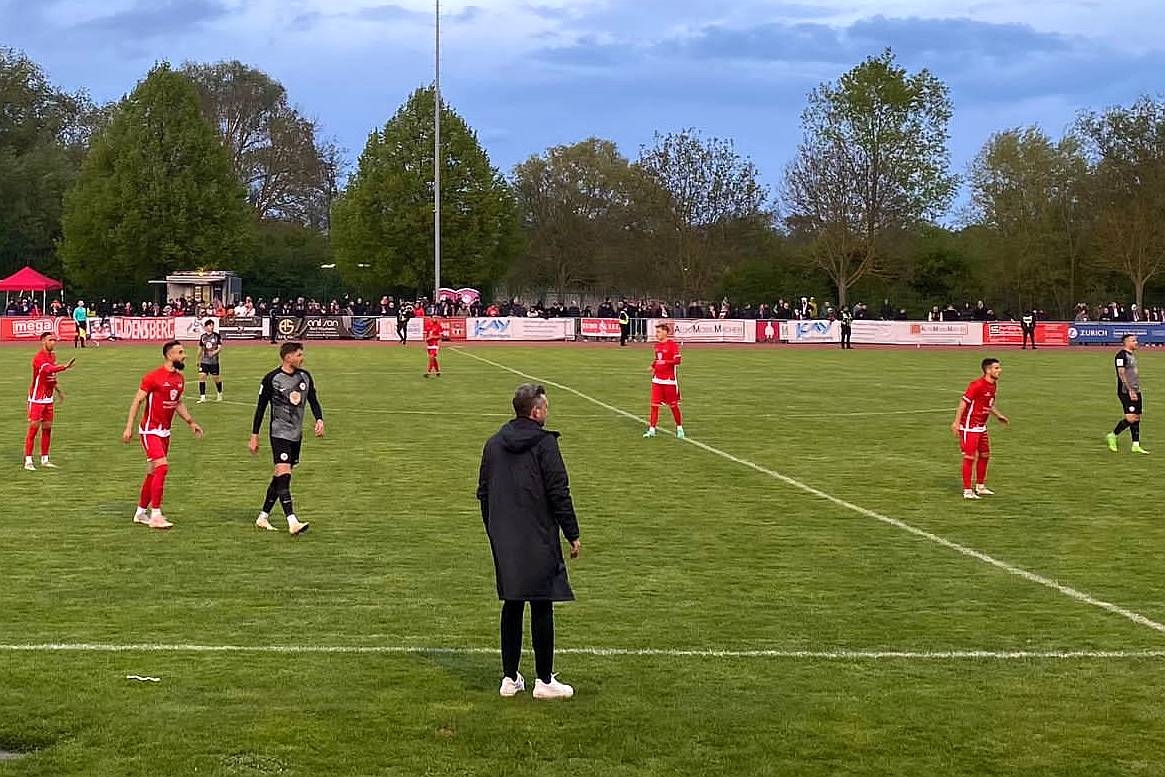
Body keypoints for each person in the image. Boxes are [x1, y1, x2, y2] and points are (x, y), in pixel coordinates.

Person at [476, 384, 581, 700]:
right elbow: (558, 491)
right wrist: (572, 533)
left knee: (512, 602)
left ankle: (510, 678)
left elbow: (483, 493)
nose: (547, 411)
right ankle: (545, 680)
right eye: (545, 407)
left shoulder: (494, 444)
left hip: (505, 536)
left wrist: (494, 530)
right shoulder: (545, 445)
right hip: (537, 534)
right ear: (535, 412)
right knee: (541, 602)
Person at [122, 340, 204, 529]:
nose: (185, 355)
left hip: (165, 432)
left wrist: (191, 422)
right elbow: (137, 401)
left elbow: (177, 403)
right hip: (150, 430)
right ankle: (156, 514)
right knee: (162, 467)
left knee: (153, 472)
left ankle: (141, 512)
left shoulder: (179, 379)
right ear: (170, 355)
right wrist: (129, 427)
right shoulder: (153, 377)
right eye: (181, 352)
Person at [249, 341, 323, 535]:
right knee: (284, 475)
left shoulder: (305, 377)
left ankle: (263, 517)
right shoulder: (272, 378)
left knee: (279, 478)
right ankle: (292, 521)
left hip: (296, 435)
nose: (302, 358)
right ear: (288, 357)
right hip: (279, 433)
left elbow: (313, 399)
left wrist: (319, 419)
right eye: (299, 355)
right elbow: (260, 408)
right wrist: (254, 436)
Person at [951, 358, 1009, 500]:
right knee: (970, 457)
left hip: (981, 426)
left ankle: (980, 486)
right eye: (996, 368)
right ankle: (967, 490)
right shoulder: (976, 385)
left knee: (985, 455)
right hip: (969, 426)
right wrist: (956, 423)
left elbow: (988, 404)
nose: (999, 370)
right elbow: (963, 403)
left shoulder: (993, 385)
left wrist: (998, 416)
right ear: (988, 370)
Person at [24, 333, 75, 471]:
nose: (53, 342)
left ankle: (45, 459)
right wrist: (64, 366)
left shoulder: (52, 356)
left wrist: (58, 390)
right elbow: (48, 369)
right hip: (37, 398)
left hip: (48, 398)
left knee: (47, 428)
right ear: (43, 341)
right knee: (34, 428)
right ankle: (28, 460)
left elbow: (51, 375)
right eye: (50, 340)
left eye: (54, 340)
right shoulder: (38, 358)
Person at [1106, 334, 1149, 454]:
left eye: (1136, 340)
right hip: (1126, 391)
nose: (1136, 342)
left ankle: (1135, 445)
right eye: (1133, 340)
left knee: (1137, 417)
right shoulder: (1121, 355)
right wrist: (1130, 390)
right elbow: (1121, 373)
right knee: (1130, 418)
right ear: (1126, 342)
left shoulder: (1131, 355)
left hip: (1136, 389)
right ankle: (1113, 435)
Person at [643, 322, 684, 439]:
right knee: (654, 405)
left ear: (666, 332)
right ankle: (652, 430)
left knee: (673, 406)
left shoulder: (672, 345)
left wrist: (666, 362)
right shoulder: (657, 346)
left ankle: (679, 428)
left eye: (659, 332)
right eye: (656, 332)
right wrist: (653, 366)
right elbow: (657, 359)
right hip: (657, 380)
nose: (657, 334)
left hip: (669, 381)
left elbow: (677, 361)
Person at [197, 319, 224, 403]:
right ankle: (202, 397)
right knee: (202, 377)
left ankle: (219, 393)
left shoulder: (217, 336)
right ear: (205, 327)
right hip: (204, 361)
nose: (211, 327)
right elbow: (200, 348)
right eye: (209, 325)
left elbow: (220, 348)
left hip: (214, 362)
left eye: (212, 325)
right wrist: (198, 359)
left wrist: (214, 352)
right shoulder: (203, 337)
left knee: (216, 378)